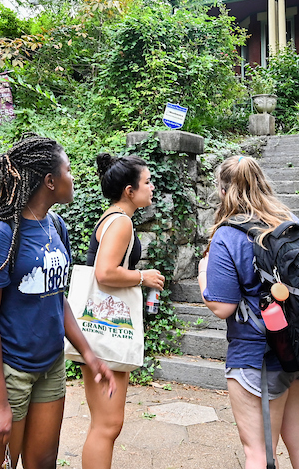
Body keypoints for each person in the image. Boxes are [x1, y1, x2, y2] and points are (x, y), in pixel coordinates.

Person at [0, 136, 115, 469]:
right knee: (0, 466)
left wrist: (89, 355)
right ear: (50, 181)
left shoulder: (56, 226)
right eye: (68, 170)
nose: (73, 177)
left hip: (50, 365)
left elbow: (56, 297)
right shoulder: (0, 233)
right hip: (7, 369)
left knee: (44, 461)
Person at [198, 155, 299, 469]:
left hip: (260, 356)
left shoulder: (228, 234)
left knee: (259, 453)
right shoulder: (291, 221)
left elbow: (222, 306)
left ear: (223, 191)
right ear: (262, 183)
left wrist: (202, 275)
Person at [80, 154, 166, 469]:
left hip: (101, 325)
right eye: (147, 182)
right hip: (107, 327)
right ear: (130, 191)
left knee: (106, 423)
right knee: (108, 425)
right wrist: (144, 277)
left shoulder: (113, 218)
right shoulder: (121, 222)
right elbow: (104, 272)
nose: (152, 187)